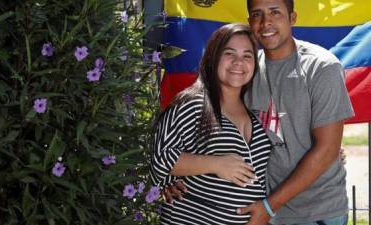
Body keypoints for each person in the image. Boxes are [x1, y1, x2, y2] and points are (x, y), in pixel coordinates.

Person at [164, 0, 354, 224]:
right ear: (250, 22)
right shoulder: (245, 70)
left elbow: (326, 150)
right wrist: (169, 174)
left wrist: (269, 206)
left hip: (318, 210)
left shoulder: (321, 67)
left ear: (292, 18)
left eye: (275, 12)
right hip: (267, 207)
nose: (266, 22)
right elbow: (203, 120)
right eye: (257, 14)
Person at [150, 23, 273, 224]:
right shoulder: (193, 104)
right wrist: (216, 164)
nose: (238, 62)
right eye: (229, 54)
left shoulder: (256, 110)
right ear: (214, 57)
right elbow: (159, 159)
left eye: (247, 56)